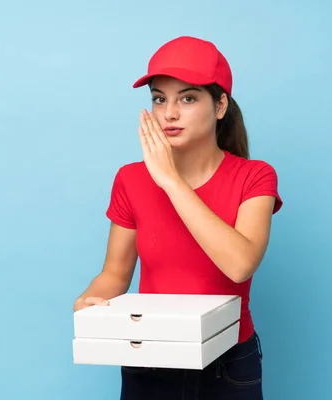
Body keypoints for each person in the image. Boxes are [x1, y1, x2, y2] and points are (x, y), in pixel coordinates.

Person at [73, 35, 283, 399]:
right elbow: (114, 274)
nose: (169, 113)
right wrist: (89, 303)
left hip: (228, 364)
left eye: (188, 98)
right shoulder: (130, 179)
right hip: (150, 361)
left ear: (220, 106)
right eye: (159, 99)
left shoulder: (255, 176)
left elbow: (240, 265)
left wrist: (170, 180)